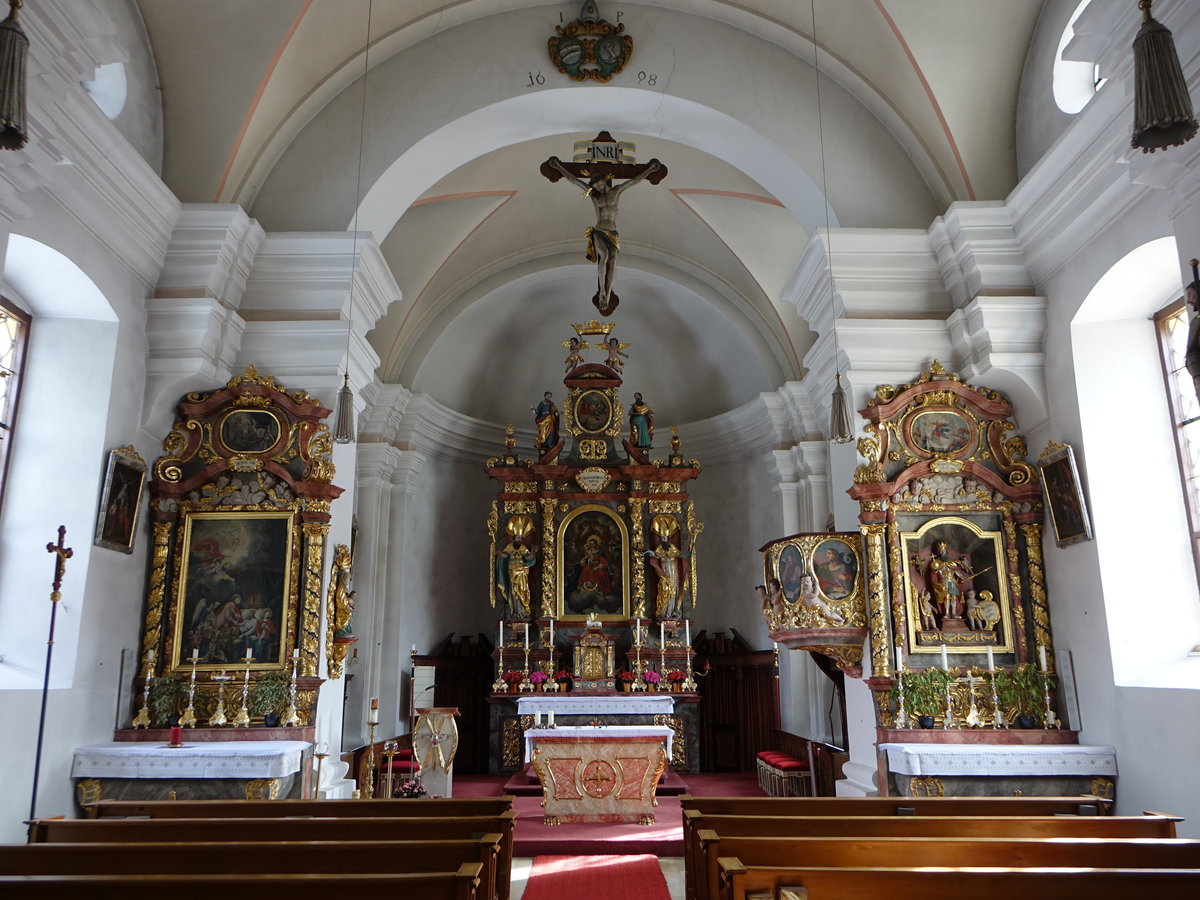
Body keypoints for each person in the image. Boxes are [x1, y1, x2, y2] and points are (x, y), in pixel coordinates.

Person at [546, 155, 662, 314]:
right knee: (605, 256)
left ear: (603, 180)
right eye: (595, 186)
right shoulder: (594, 198)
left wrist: (649, 170)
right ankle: (602, 292)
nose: (599, 188)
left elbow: (634, 181)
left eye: (599, 184)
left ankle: (607, 294)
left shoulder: (617, 191)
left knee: (613, 261)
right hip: (600, 230)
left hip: (613, 232)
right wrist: (559, 167)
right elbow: (575, 181)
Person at [566, 534, 618, 614]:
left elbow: (604, 563)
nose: (591, 545)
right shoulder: (587, 552)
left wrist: (597, 567)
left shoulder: (600, 552)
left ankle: (599, 589)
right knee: (586, 569)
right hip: (590, 568)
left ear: (596, 543)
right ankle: (585, 587)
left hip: (599, 569)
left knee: (600, 572)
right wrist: (585, 558)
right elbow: (582, 563)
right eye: (590, 543)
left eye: (593, 543)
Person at [922, 539, 972, 619]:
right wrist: (935, 570)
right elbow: (934, 573)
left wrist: (961, 577)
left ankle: (954, 613)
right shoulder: (936, 563)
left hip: (952, 582)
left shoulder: (951, 562)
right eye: (941, 551)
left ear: (946, 551)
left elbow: (955, 571)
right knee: (946, 598)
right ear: (938, 552)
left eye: (944, 551)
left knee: (953, 598)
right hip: (943, 582)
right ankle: (946, 613)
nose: (942, 552)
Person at [495, 531, 537, 618]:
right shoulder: (509, 547)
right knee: (513, 591)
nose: (519, 540)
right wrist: (498, 554)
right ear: (514, 538)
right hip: (512, 573)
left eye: (520, 538)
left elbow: (528, 558)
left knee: (523, 590)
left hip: (522, 573)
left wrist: (533, 552)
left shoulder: (523, 548)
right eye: (518, 538)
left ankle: (522, 610)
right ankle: (514, 611)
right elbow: (505, 556)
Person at [647, 533, 686, 618]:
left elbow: (680, 555)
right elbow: (655, 557)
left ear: (669, 538)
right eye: (663, 538)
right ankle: (663, 611)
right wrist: (651, 554)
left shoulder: (672, 548)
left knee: (674, 590)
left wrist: (689, 553)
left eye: (665, 538)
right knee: (665, 590)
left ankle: (672, 611)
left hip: (673, 572)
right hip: (664, 573)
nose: (664, 539)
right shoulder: (659, 549)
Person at [1185, 279, 1200, 403]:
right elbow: (1191, 353)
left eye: (1190, 294)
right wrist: (1197, 377)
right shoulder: (1196, 322)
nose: (1188, 300)